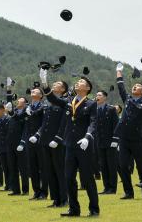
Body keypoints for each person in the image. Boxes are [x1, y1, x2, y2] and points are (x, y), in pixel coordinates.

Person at [41, 69, 99, 218]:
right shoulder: (69, 102)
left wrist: (87, 136)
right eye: (78, 81)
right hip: (70, 145)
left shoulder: (91, 104)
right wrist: (45, 84)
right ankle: (74, 209)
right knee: (68, 177)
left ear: (87, 88)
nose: (78, 83)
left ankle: (94, 208)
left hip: (84, 145)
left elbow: (93, 122)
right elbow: (53, 99)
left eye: (82, 82)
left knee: (87, 178)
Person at [113, 62, 142, 200]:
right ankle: (128, 192)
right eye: (134, 86)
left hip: (138, 138)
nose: (134, 87)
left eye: (138, 86)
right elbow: (121, 86)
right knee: (123, 165)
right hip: (124, 137)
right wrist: (119, 72)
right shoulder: (128, 99)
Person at [28, 77, 68, 208]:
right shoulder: (48, 103)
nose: (54, 84)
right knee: (49, 170)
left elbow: (64, 123)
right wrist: (38, 134)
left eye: (57, 84)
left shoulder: (65, 102)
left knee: (59, 170)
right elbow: (44, 123)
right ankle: (55, 199)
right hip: (44, 140)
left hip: (57, 141)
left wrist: (58, 138)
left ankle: (64, 199)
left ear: (63, 89)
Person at [25, 87, 47, 200]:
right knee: (32, 167)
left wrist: (37, 135)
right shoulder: (28, 107)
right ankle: (36, 191)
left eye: (35, 91)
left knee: (43, 166)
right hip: (30, 140)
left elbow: (44, 123)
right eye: (32, 91)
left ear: (41, 96)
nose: (32, 92)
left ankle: (44, 192)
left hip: (40, 139)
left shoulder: (43, 106)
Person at [95, 90, 118, 195]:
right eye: (96, 95)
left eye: (99, 95)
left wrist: (115, 140)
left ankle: (112, 188)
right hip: (100, 142)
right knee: (103, 165)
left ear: (105, 97)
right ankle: (106, 187)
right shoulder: (94, 109)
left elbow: (116, 125)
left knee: (111, 165)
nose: (97, 97)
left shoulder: (111, 109)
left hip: (110, 141)